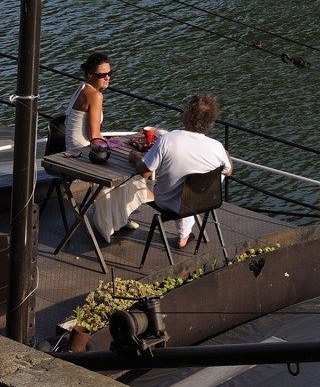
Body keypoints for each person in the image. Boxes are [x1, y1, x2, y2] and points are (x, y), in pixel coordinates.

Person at [64, 52, 152, 241]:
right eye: (102, 75)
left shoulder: (82, 88)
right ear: (89, 75)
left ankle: (119, 217)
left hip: (72, 147)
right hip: (82, 152)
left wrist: (110, 140)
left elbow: (89, 132)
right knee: (127, 165)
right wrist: (115, 145)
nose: (107, 78)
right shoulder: (95, 95)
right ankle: (112, 222)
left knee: (126, 159)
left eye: (109, 73)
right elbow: (94, 137)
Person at [129, 93, 232, 250]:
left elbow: (144, 172)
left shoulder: (168, 139)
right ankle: (184, 235)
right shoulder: (216, 146)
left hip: (166, 202)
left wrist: (136, 158)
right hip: (205, 201)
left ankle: (117, 220)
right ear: (210, 121)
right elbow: (229, 171)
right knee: (197, 181)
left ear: (186, 116)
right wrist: (227, 155)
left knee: (137, 182)